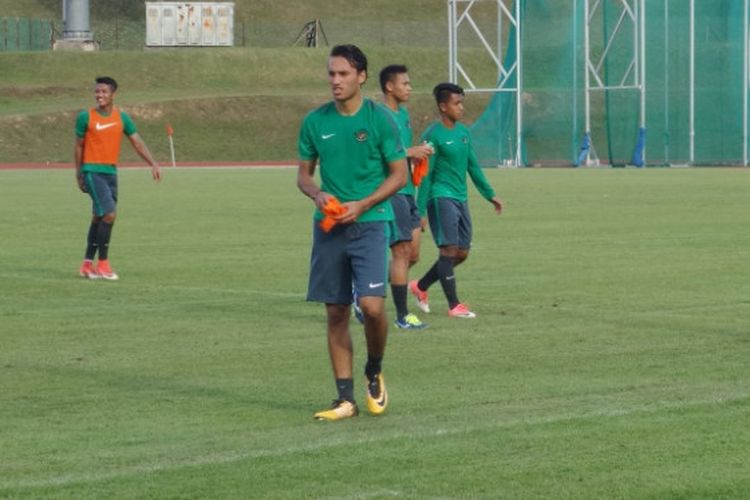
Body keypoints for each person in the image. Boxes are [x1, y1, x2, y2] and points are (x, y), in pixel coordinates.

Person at [296, 45, 408, 421]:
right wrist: (317, 193)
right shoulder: (315, 122)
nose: (335, 81)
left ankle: (374, 369)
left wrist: (362, 204)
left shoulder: (379, 121)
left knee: (374, 308)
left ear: (361, 76)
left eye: (343, 74)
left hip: (371, 223)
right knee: (336, 311)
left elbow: (399, 174)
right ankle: (345, 399)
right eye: (331, 73)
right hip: (329, 229)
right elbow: (304, 176)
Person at [411, 82, 503, 318]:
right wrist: (419, 211)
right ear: (443, 106)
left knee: (461, 253)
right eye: (456, 103)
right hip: (440, 198)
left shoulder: (463, 133)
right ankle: (454, 306)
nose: (461, 108)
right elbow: (426, 175)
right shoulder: (432, 135)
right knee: (449, 249)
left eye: (462, 103)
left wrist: (490, 194)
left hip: (461, 198)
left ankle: (420, 286)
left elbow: (472, 165)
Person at [75, 76, 161, 280]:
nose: (99, 95)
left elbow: (137, 142)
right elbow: (78, 146)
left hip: (111, 174)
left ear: (113, 94)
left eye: (104, 92)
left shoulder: (121, 118)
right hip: (92, 172)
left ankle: (87, 265)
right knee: (110, 214)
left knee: (99, 217)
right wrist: (78, 173)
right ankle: (103, 264)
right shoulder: (85, 117)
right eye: (97, 91)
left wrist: (153, 163)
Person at [378, 64, 434, 330]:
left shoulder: (404, 114)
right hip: (391, 191)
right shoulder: (379, 116)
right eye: (405, 84)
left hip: (408, 190)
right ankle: (402, 316)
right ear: (390, 86)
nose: (410, 88)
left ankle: (361, 286)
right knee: (400, 252)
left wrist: (418, 154)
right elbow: (376, 155)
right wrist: (410, 151)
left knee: (412, 255)